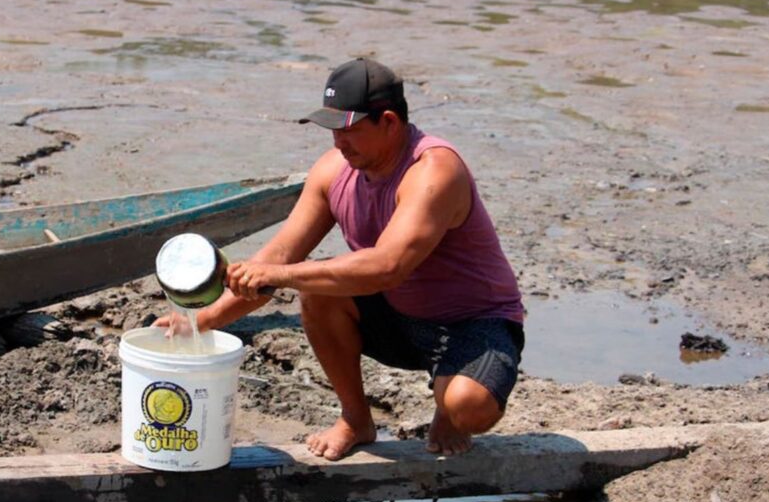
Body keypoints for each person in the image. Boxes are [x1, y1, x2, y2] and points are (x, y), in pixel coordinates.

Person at [166, 58, 524, 460]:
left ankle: (448, 403)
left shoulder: (435, 171)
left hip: (472, 321)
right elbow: (279, 254)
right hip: (398, 318)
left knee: (467, 407)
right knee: (318, 291)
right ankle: (356, 420)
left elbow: (387, 266)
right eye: (333, 130)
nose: (339, 142)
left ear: (389, 122)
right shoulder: (333, 172)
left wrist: (282, 274)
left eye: (349, 130)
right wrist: (200, 320)